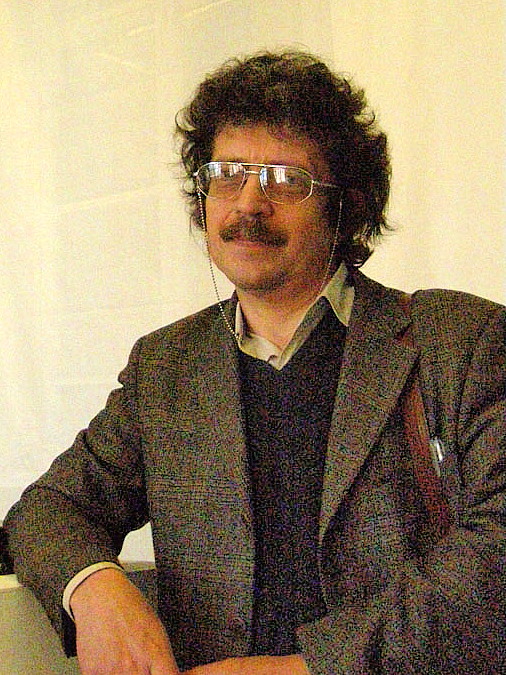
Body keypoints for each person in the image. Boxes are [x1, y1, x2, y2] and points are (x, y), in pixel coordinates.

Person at [4, 50, 506, 675]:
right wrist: (93, 586)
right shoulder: (166, 369)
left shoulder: (459, 341)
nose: (248, 204)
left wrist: (311, 668)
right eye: (227, 174)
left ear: (346, 204)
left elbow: (497, 552)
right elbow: (48, 509)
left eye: (284, 180)